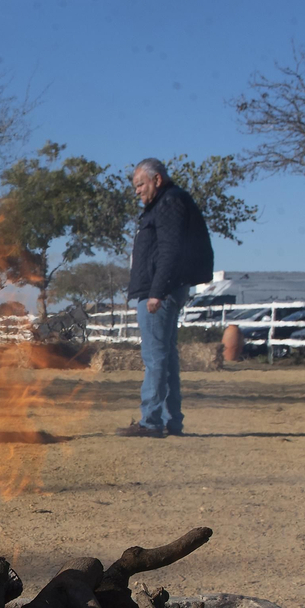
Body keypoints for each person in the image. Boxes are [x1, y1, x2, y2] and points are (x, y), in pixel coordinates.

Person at [117, 158, 214, 438]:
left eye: (140, 184)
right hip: (163, 289)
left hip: (159, 292)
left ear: (157, 180)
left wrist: (157, 292)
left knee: (155, 357)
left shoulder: (169, 203)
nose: (136, 191)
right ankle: (172, 421)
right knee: (166, 357)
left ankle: (151, 421)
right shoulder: (167, 203)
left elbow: (171, 250)